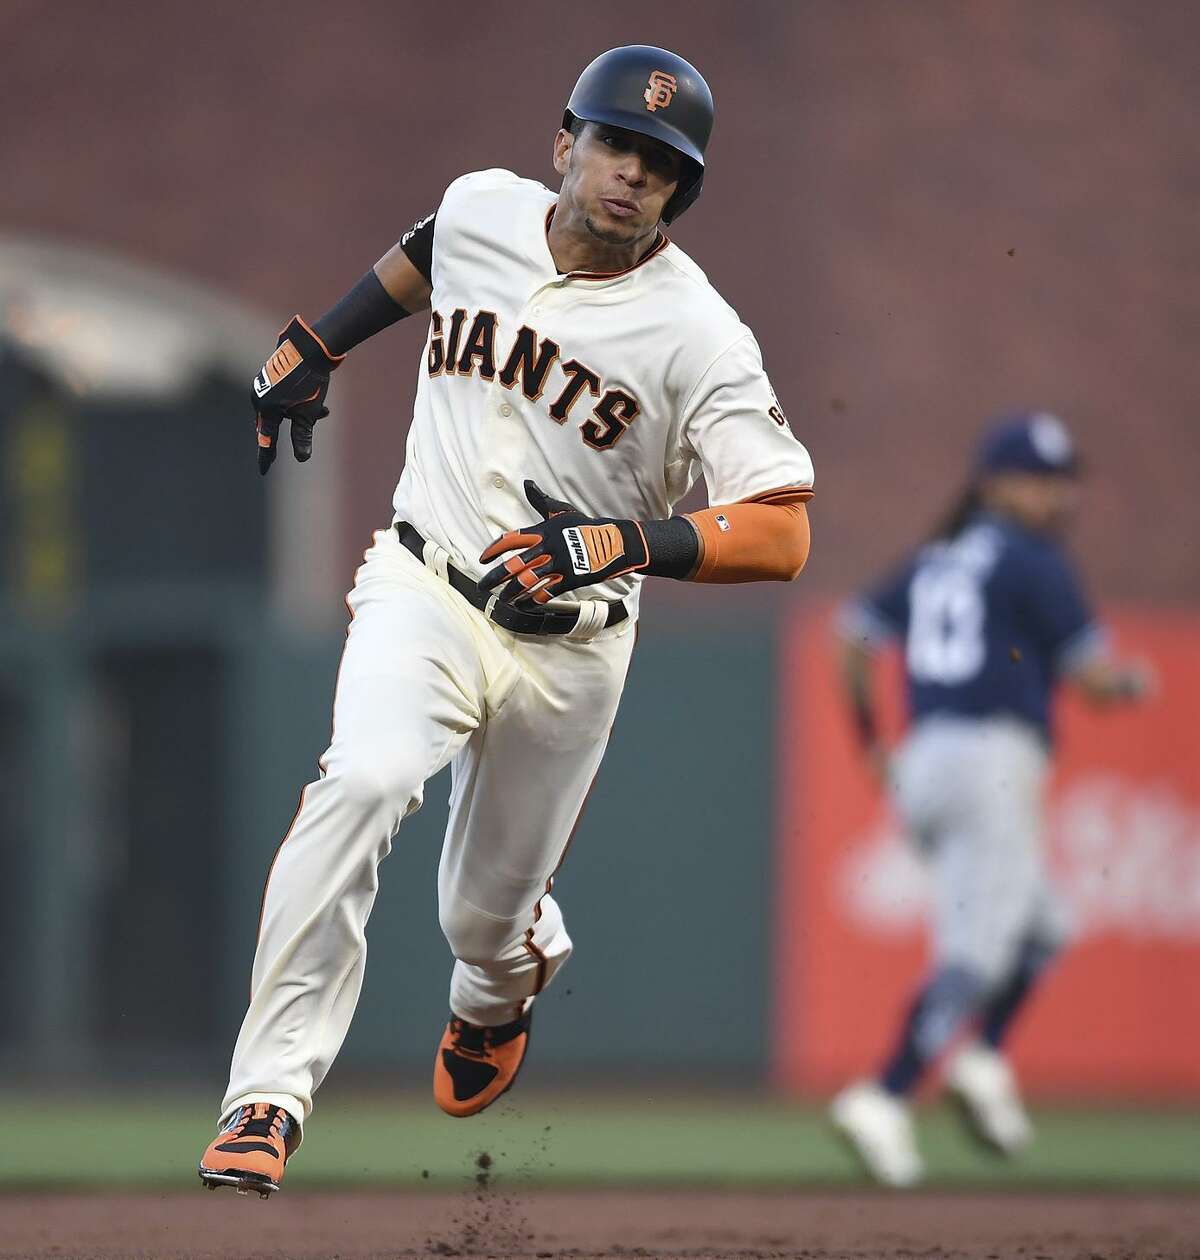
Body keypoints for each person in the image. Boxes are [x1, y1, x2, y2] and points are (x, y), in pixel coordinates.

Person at [198, 44, 815, 1197]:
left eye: (663, 164)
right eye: (617, 143)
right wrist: (323, 340)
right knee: (365, 780)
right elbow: (429, 252)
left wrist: (630, 541)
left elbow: (783, 528)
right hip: (422, 586)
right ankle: (267, 1097)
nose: (633, 174)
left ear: (684, 192)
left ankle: (494, 995)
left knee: (479, 923)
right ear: (564, 144)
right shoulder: (486, 205)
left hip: (568, 649)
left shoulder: (701, 335)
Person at [829, 412, 1149, 1187]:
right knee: (975, 955)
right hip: (989, 761)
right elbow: (1097, 680)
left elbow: (852, 636)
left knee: (1042, 928)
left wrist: (872, 743)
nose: (1055, 495)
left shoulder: (940, 556)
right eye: (1039, 479)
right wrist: (1136, 682)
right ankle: (886, 1093)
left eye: (1060, 479)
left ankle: (980, 1060)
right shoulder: (1034, 561)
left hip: (926, 760)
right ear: (996, 484)